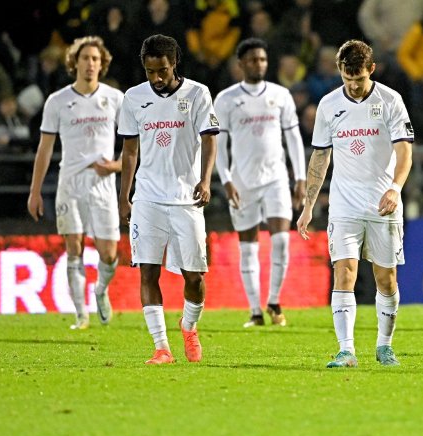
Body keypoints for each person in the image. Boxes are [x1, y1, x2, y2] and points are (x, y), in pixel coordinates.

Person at [297, 39, 414, 368]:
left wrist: (395, 188)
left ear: (371, 70)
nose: (354, 86)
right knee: (344, 272)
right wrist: (308, 206)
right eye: (348, 80)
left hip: (382, 204)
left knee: (385, 279)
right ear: (340, 73)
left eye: (359, 80)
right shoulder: (328, 105)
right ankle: (346, 350)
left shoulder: (390, 101)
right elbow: (320, 156)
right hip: (344, 204)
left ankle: (384, 345)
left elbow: (405, 150)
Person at [117, 34, 219, 365]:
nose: (157, 78)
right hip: (147, 197)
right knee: (147, 271)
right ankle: (161, 347)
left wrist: (205, 180)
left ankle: (188, 327)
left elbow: (209, 140)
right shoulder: (133, 98)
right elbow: (130, 150)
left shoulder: (198, 93)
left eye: (162, 70)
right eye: (150, 72)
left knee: (195, 277)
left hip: (185, 196)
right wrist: (125, 196)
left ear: (174, 64)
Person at [27, 36, 123, 330]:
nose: (90, 64)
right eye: (85, 58)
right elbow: (45, 148)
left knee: (109, 253)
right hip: (70, 182)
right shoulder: (57, 101)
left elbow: (136, 142)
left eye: (96, 59)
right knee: (74, 248)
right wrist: (35, 192)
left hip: (103, 183)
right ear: (75, 62)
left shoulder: (115, 99)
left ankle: (101, 290)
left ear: (102, 63)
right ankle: (81, 315)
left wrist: (117, 166)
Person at [214, 38, 306, 328]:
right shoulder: (226, 99)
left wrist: (300, 177)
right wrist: (226, 179)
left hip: (276, 178)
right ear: (240, 64)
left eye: (263, 59)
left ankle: (275, 302)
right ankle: (255, 310)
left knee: (281, 240)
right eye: (253, 60)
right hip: (242, 182)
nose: (259, 64)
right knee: (249, 247)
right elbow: (219, 143)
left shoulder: (281, 95)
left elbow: (293, 137)